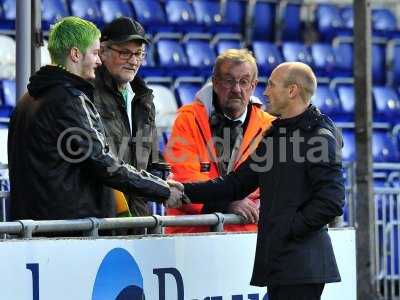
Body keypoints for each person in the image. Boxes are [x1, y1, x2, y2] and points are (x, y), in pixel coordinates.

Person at [182, 62, 345, 300]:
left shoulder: (319, 138)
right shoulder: (276, 136)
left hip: (301, 267)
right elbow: (236, 183)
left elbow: (331, 201)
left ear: (292, 91)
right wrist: (181, 190)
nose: (265, 92)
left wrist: (289, 228)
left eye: (271, 85)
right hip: (281, 263)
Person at [7, 16, 183, 222]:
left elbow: (145, 156)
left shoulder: (27, 100)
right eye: (95, 53)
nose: (98, 61)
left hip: (42, 229)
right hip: (71, 230)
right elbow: (101, 161)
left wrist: (159, 178)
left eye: (139, 54)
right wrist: (161, 190)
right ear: (75, 54)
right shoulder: (72, 99)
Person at [164, 49, 275, 233]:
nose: (236, 89)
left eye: (244, 82)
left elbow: (273, 187)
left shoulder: (270, 126)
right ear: (215, 82)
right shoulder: (188, 119)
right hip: (194, 237)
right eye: (229, 81)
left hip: (249, 238)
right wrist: (228, 202)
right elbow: (183, 177)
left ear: (253, 86)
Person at [92, 17, 158, 224]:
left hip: (138, 219)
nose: (134, 60)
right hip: (101, 220)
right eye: (125, 53)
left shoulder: (144, 99)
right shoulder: (87, 93)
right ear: (102, 51)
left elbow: (150, 160)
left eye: (139, 54)